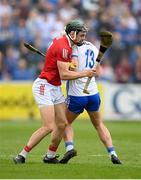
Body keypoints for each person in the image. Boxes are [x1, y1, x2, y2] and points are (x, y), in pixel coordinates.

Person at [13, 19, 97, 164]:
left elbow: (64, 69)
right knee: (48, 126)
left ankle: (50, 156)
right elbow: (64, 75)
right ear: (72, 34)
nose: (84, 39)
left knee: (62, 123)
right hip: (44, 86)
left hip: (55, 86)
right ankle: (22, 155)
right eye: (81, 35)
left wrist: (69, 66)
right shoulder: (64, 47)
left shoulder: (65, 43)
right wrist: (85, 73)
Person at [59, 41, 122, 164]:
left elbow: (73, 68)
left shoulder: (73, 49)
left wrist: (63, 66)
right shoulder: (92, 47)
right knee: (99, 124)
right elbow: (99, 72)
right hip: (93, 94)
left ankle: (70, 148)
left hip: (77, 95)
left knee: (64, 123)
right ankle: (112, 153)